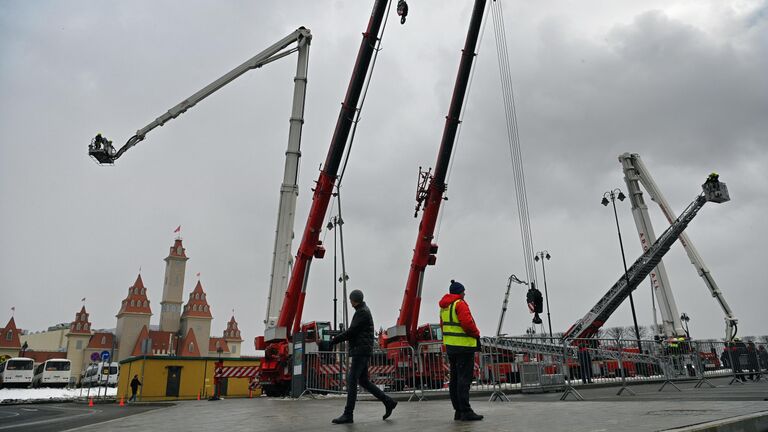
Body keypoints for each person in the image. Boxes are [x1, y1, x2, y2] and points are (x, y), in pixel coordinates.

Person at [329, 290, 396, 425]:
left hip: (360, 351)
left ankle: (348, 414)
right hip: (362, 350)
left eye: (350, 300)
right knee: (363, 381)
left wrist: (333, 340)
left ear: (354, 300)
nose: (350, 302)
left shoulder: (362, 312)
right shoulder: (362, 311)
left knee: (352, 379)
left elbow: (351, 332)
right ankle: (388, 401)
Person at [439, 280, 483, 422]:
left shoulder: (444, 307)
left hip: (451, 348)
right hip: (464, 347)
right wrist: (477, 333)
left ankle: (458, 411)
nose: (465, 293)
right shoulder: (460, 304)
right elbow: (467, 324)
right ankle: (466, 411)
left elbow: (443, 326)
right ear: (459, 292)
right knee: (464, 379)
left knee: (455, 379)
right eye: (463, 291)